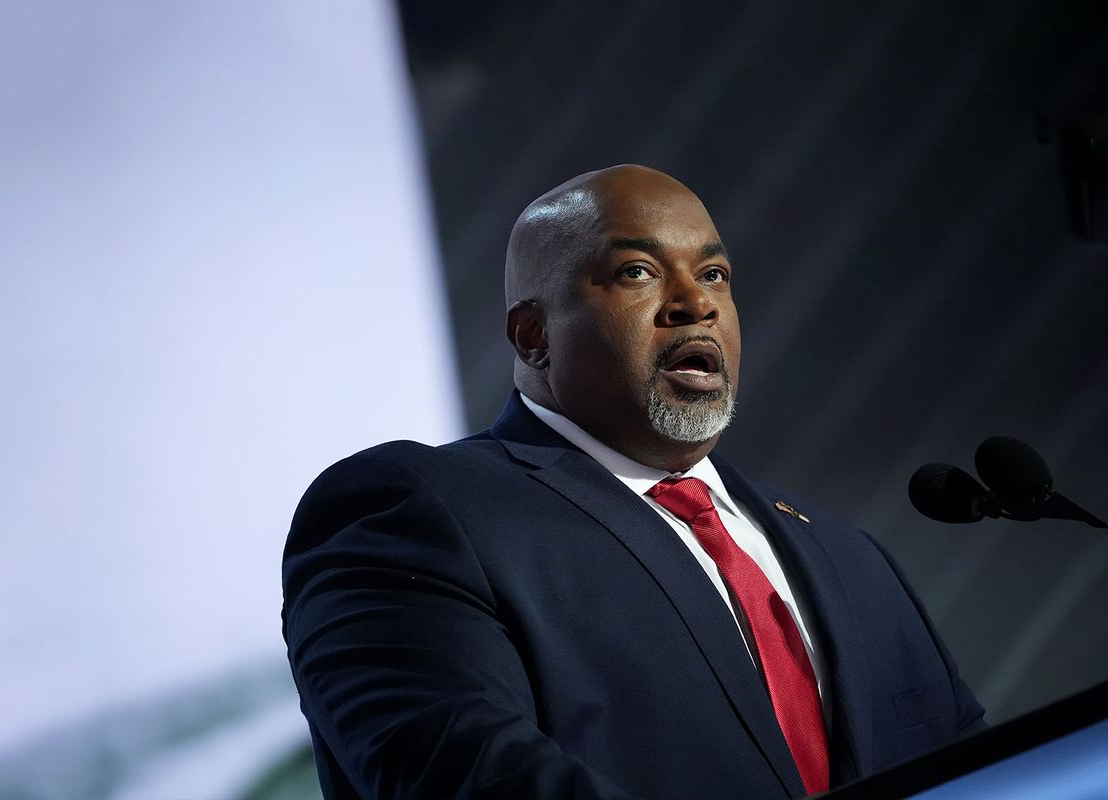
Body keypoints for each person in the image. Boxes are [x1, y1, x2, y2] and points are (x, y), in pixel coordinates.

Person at [282, 165, 985, 799]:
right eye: (638, 272)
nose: (694, 303)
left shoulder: (850, 558)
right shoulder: (414, 510)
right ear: (533, 336)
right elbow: (469, 778)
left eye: (714, 276)